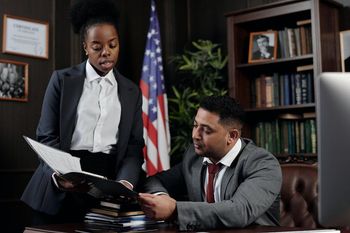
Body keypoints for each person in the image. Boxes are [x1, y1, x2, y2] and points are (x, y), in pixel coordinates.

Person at [21, 0, 144, 225]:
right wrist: (61, 174)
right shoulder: (61, 80)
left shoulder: (131, 91)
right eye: (97, 47)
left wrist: (125, 182)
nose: (106, 52)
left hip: (107, 187)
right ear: (85, 47)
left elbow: (134, 147)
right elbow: (47, 135)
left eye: (113, 45)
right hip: (60, 181)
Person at [138, 96, 282, 231]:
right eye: (195, 125)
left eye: (206, 130)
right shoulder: (194, 158)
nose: (195, 135)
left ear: (232, 136)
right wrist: (160, 196)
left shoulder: (263, 164)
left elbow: (240, 211)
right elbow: (155, 180)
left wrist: (175, 210)